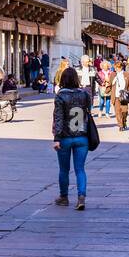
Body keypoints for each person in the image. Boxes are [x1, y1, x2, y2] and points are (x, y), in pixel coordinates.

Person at [52, 67, 91, 211]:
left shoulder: (60, 96)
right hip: (82, 136)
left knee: (64, 169)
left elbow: (59, 118)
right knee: (80, 169)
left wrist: (57, 138)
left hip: (65, 138)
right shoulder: (84, 94)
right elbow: (88, 112)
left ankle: (64, 197)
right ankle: (81, 197)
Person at [112, 62, 129, 131]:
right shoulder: (113, 74)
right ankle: (120, 125)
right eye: (115, 68)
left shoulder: (127, 74)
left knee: (124, 111)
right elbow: (109, 84)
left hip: (124, 96)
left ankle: (124, 122)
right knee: (117, 112)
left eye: (117, 68)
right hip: (116, 96)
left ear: (121, 67)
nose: (116, 69)